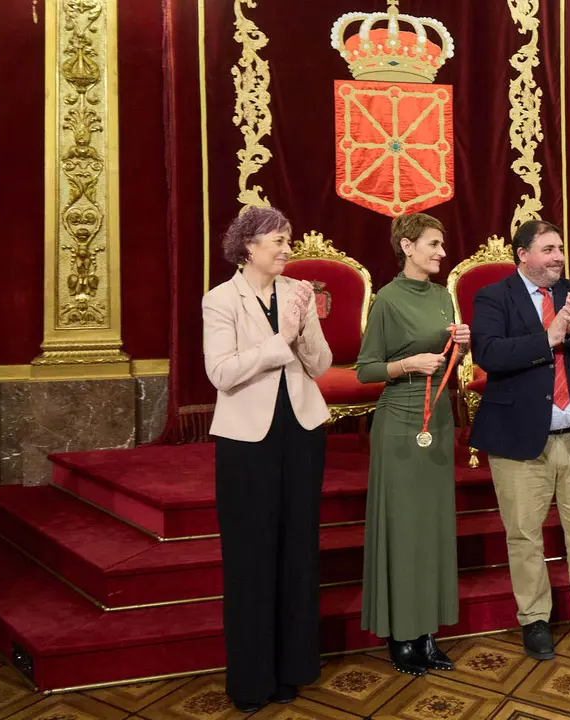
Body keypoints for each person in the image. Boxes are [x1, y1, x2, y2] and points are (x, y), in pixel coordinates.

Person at [468, 220, 570, 662]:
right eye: (548, 249)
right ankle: (535, 620)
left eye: (560, 248)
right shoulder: (493, 296)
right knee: (524, 536)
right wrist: (548, 337)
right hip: (519, 440)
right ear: (522, 254)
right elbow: (489, 354)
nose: (559, 256)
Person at [202, 206, 333, 712]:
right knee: (252, 558)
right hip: (246, 441)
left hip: (301, 430)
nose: (286, 249)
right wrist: (280, 342)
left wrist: (307, 327)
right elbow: (221, 372)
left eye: (288, 239)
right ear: (248, 246)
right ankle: (252, 680)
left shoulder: (298, 291)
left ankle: (293, 669)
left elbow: (320, 365)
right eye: (277, 240)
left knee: (298, 552)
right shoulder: (220, 300)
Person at [356, 213, 471, 676]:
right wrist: (406, 365)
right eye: (434, 244)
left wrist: (459, 348)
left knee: (432, 530)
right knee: (403, 531)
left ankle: (426, 632)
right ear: (407, 246)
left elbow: (443, 365)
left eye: (442, 245)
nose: (442, 253)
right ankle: (401, 634)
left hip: (438, 422)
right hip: (401, 425)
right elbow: (365, 369)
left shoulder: (443, 296)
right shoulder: (387, 299)